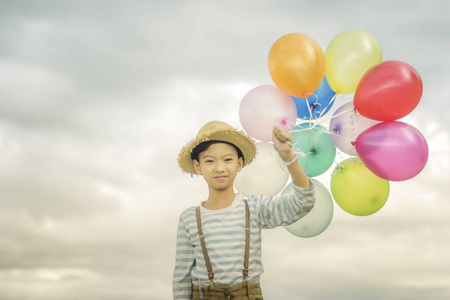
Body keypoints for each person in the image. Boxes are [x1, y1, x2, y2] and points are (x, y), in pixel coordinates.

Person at [173, 120, 315, 300]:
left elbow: (303, 203)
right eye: (209, 161)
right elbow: (182, 279)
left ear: (239, 164)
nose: (219, 168)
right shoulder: (189, 218)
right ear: (197, 166)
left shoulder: (254, 208)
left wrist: (288, 157)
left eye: (228, 160)